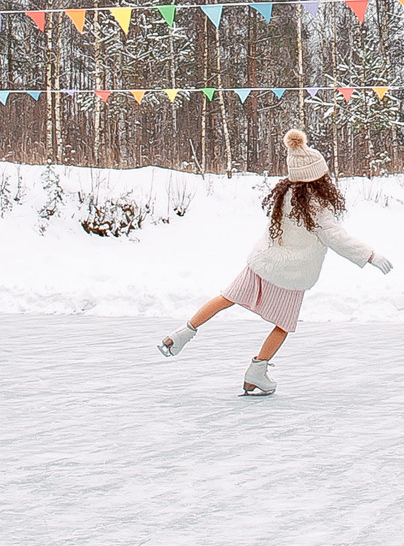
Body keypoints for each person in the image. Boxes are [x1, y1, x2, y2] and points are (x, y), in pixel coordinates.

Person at [159, 129, 391, 396]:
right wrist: (371, 256)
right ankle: (256, 372)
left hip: (262, 263)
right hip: (291, 276)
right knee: (282, 325)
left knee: (226, 298)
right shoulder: (317, 206)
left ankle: (182, 334)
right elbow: (337, 238)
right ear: (318, 176)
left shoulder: (285, 194)